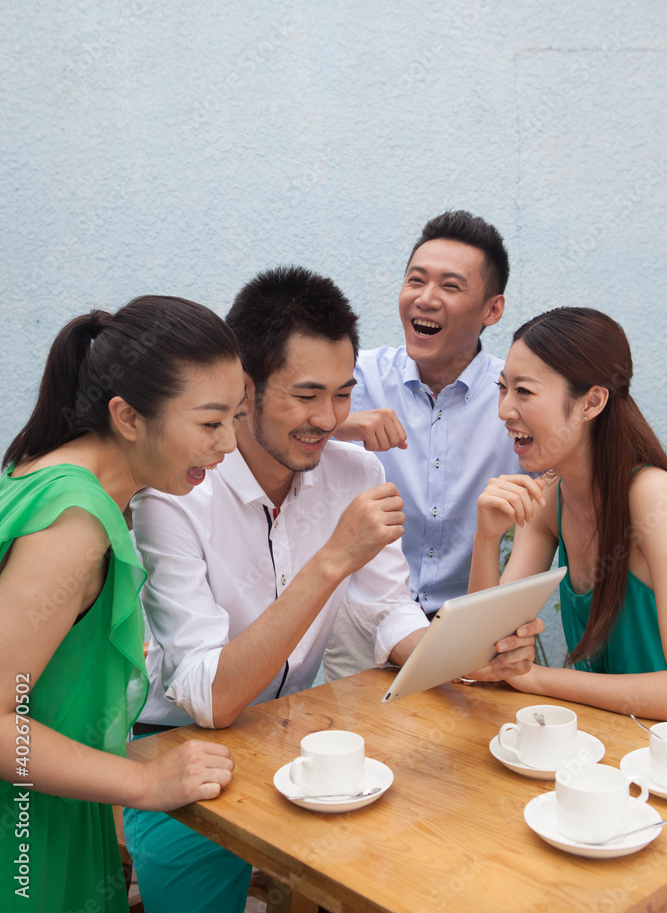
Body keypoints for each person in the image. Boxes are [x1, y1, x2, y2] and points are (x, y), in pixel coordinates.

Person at [124, 266, 540, 913]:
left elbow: (387, 611)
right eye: (306, 395)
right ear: (244, 390)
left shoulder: (355, 470)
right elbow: (210, 697)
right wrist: (332, 560)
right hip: (176, 752)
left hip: (298, 738)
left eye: (344, 394)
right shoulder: (176, 493)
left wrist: (457, 654)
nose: (327, 419)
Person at [0, 296, 244, 913]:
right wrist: (144, 780)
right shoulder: (75, 526)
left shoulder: (51, 473)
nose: (230, 444)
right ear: (128, 416)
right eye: (211, 423)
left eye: (237, 418)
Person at [325, 209, 521, 679]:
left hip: (473, 619)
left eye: (451, 287)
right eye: (416, 281)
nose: (426, 299)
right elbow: (255, 417)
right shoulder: (356, 377)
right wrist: (341, 422)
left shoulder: (516, 397)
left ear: (492, 309)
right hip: (363, 620)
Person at [469, 306, 667, 718]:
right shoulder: (549, 497)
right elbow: (483, 653)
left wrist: (537, 677)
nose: (505, 410)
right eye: (502, 388)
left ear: (591, 402)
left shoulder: (653, 497)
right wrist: (487, 538)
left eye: (523, 391)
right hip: (594, 750)